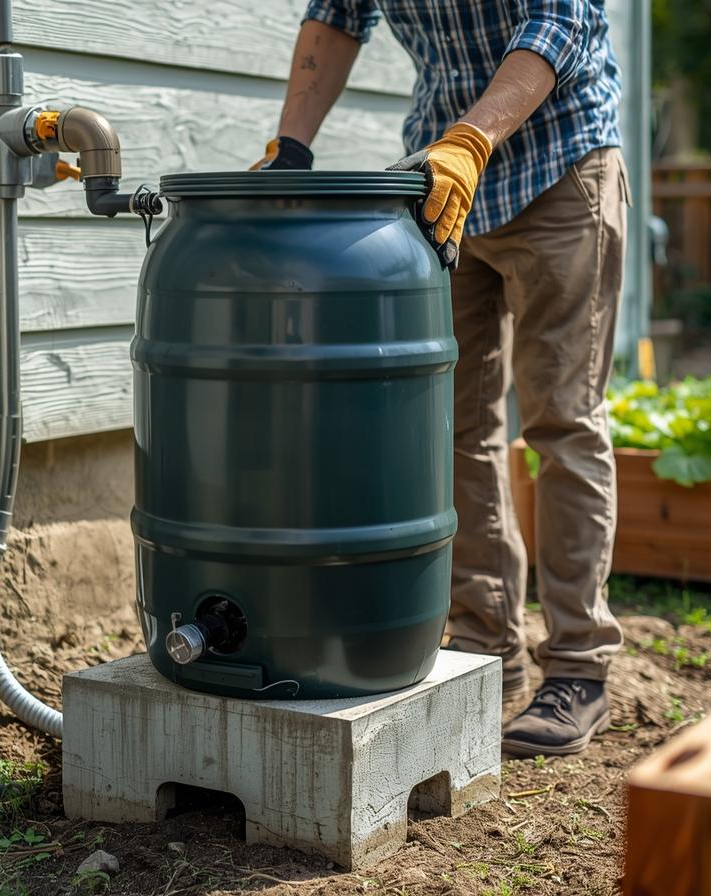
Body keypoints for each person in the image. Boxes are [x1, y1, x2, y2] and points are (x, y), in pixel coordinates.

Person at [255, 1, 627, 756]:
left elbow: (562, 21)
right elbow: (336, 15)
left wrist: (473, 138)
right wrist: (291, 143)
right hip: (442, 185)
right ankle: (490, 646)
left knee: (562, 421)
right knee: (452, 425)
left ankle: (579, 667)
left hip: (558, 160)